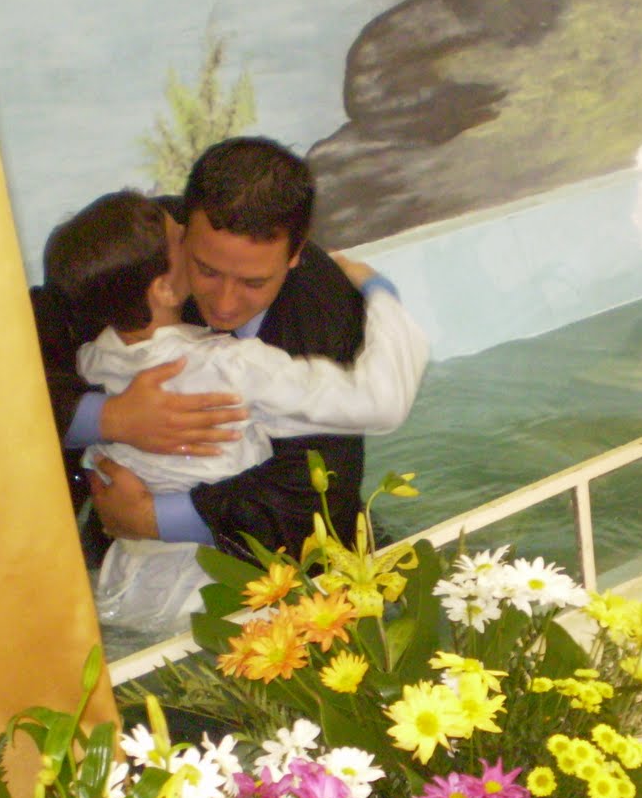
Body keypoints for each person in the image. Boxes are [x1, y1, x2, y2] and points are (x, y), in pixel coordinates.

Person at [43, 188, 427, 633]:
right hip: (229, 588)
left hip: (130, 583)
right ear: (163, 287)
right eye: (181, 236)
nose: (189, 233)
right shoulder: (231, 366)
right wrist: (380, 294)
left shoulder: (93, 360)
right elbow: (379, 402)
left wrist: (108, 423)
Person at [38, 137, 375, 563]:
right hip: (118, 546)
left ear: (295, 253)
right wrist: (111, 418)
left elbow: (320, 485)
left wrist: (151, 518)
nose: (225, 305)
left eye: (254, 282)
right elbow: (15, 365)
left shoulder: (326, 307)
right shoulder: (140, 248)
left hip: (265, 553)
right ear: (183, 230)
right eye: (206, 270)